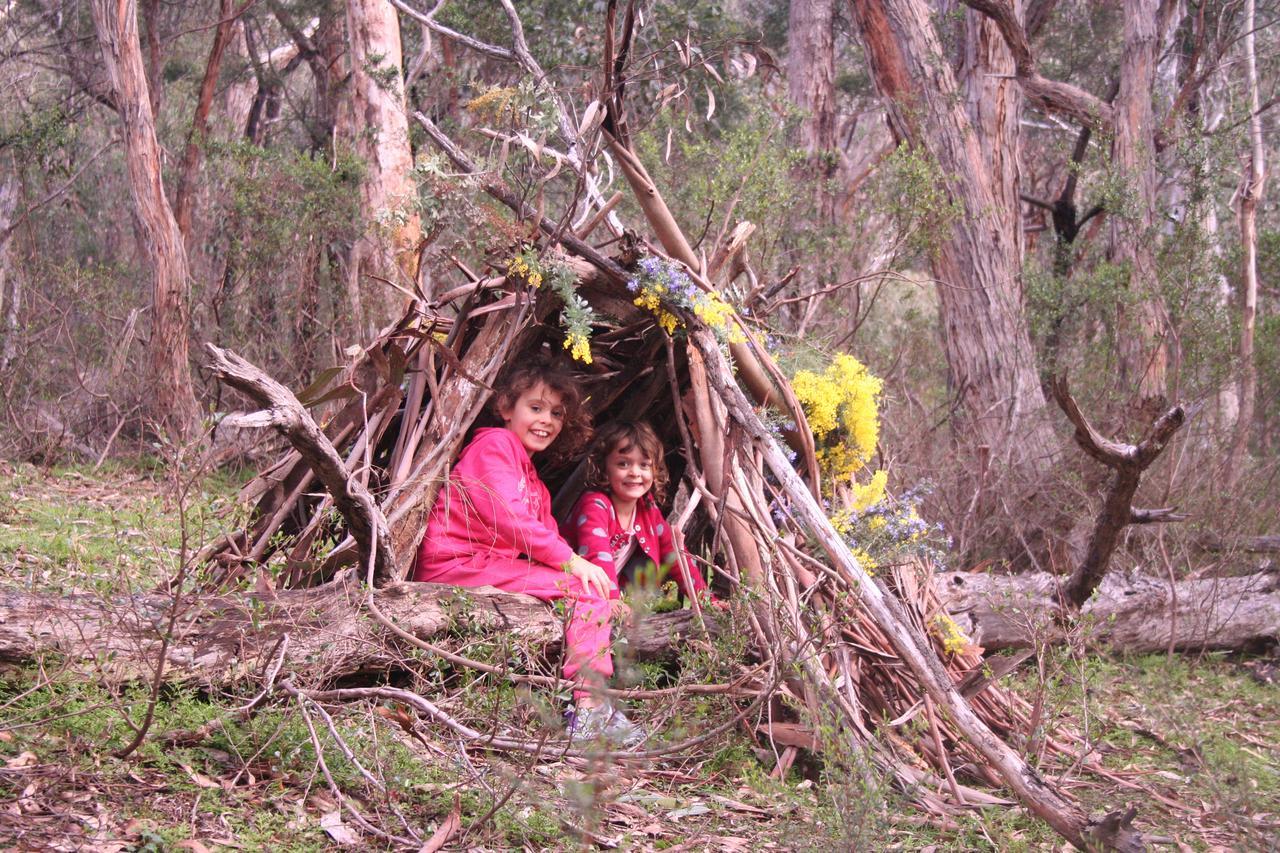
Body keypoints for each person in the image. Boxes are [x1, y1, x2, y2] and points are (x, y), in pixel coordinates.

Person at [413, 358, 642, 746]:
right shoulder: (494, 445)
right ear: (506, 408)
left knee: (586, 589)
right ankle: (589, 711)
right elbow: (509, 519)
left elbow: (547, 541)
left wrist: (606, 595)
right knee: (581, 588)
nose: (546, 420)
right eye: (535, 408)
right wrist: (574, 566)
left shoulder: (533, 480)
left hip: (484, 566)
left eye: (555, 413)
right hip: (454, 564)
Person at [564, 421, 715, 607]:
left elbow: (673, 555)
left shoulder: (646, 509)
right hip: (573, 593)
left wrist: (706, 601)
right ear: (604, 468)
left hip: (609, 599)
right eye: (623, 464)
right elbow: (597, 555)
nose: (635, 472)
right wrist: (612, 601)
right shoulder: (595, 505)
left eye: (644, 465)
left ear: (654, 470)